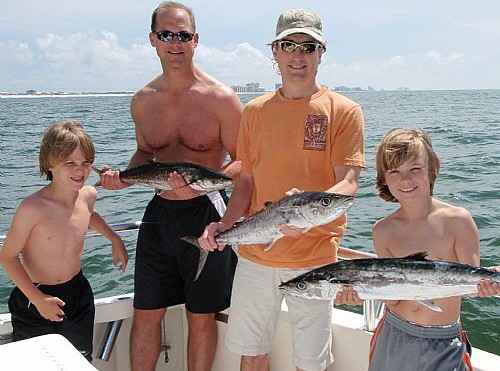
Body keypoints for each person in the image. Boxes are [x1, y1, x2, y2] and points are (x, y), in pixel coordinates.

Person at [198, 8, 365, 371]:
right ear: (274, 52)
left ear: (322, 52)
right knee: (251, 351)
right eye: (289, 45)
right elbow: (245, 182)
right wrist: (224, 224)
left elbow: (348, 183)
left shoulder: (345, 110)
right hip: (256, 255)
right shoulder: (254, 112)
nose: (298, 56)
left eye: (308, 47)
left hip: (316, 258)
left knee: (311, 362)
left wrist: (305, 214)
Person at [98, 2, 243, 370]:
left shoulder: (222, 98)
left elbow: (246, 162)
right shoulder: (143, 101)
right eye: (166, 35)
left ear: (196, 40)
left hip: (208, 212)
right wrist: (121, 180)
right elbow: (145, 153)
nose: (174, 43)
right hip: (159, 216)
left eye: (182, 35)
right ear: (153, 40)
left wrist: (205, 185)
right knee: (145, 312)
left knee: (201, 316)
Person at [336, 128, 499, 371]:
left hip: (443, 341)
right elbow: (393, 296)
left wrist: (488, 285)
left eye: (415, 168)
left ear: (431, 169)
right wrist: (359, 294)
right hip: (393, 333)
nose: (405, 179)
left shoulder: (457, 220)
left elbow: (472, 285)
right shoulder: (383, 230)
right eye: (394, 171)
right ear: (383, 179)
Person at [0, 121, 128, 362]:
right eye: (70, 163)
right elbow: (7, 256)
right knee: (38, 363)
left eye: (85, 163)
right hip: (35, 295)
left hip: (77, 293)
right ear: (50, 164)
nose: (79, 170)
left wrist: (113, 237)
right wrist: (38, 300)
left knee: (78, 360)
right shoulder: (33, 207)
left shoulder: (88, 194)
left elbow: (89, 214)